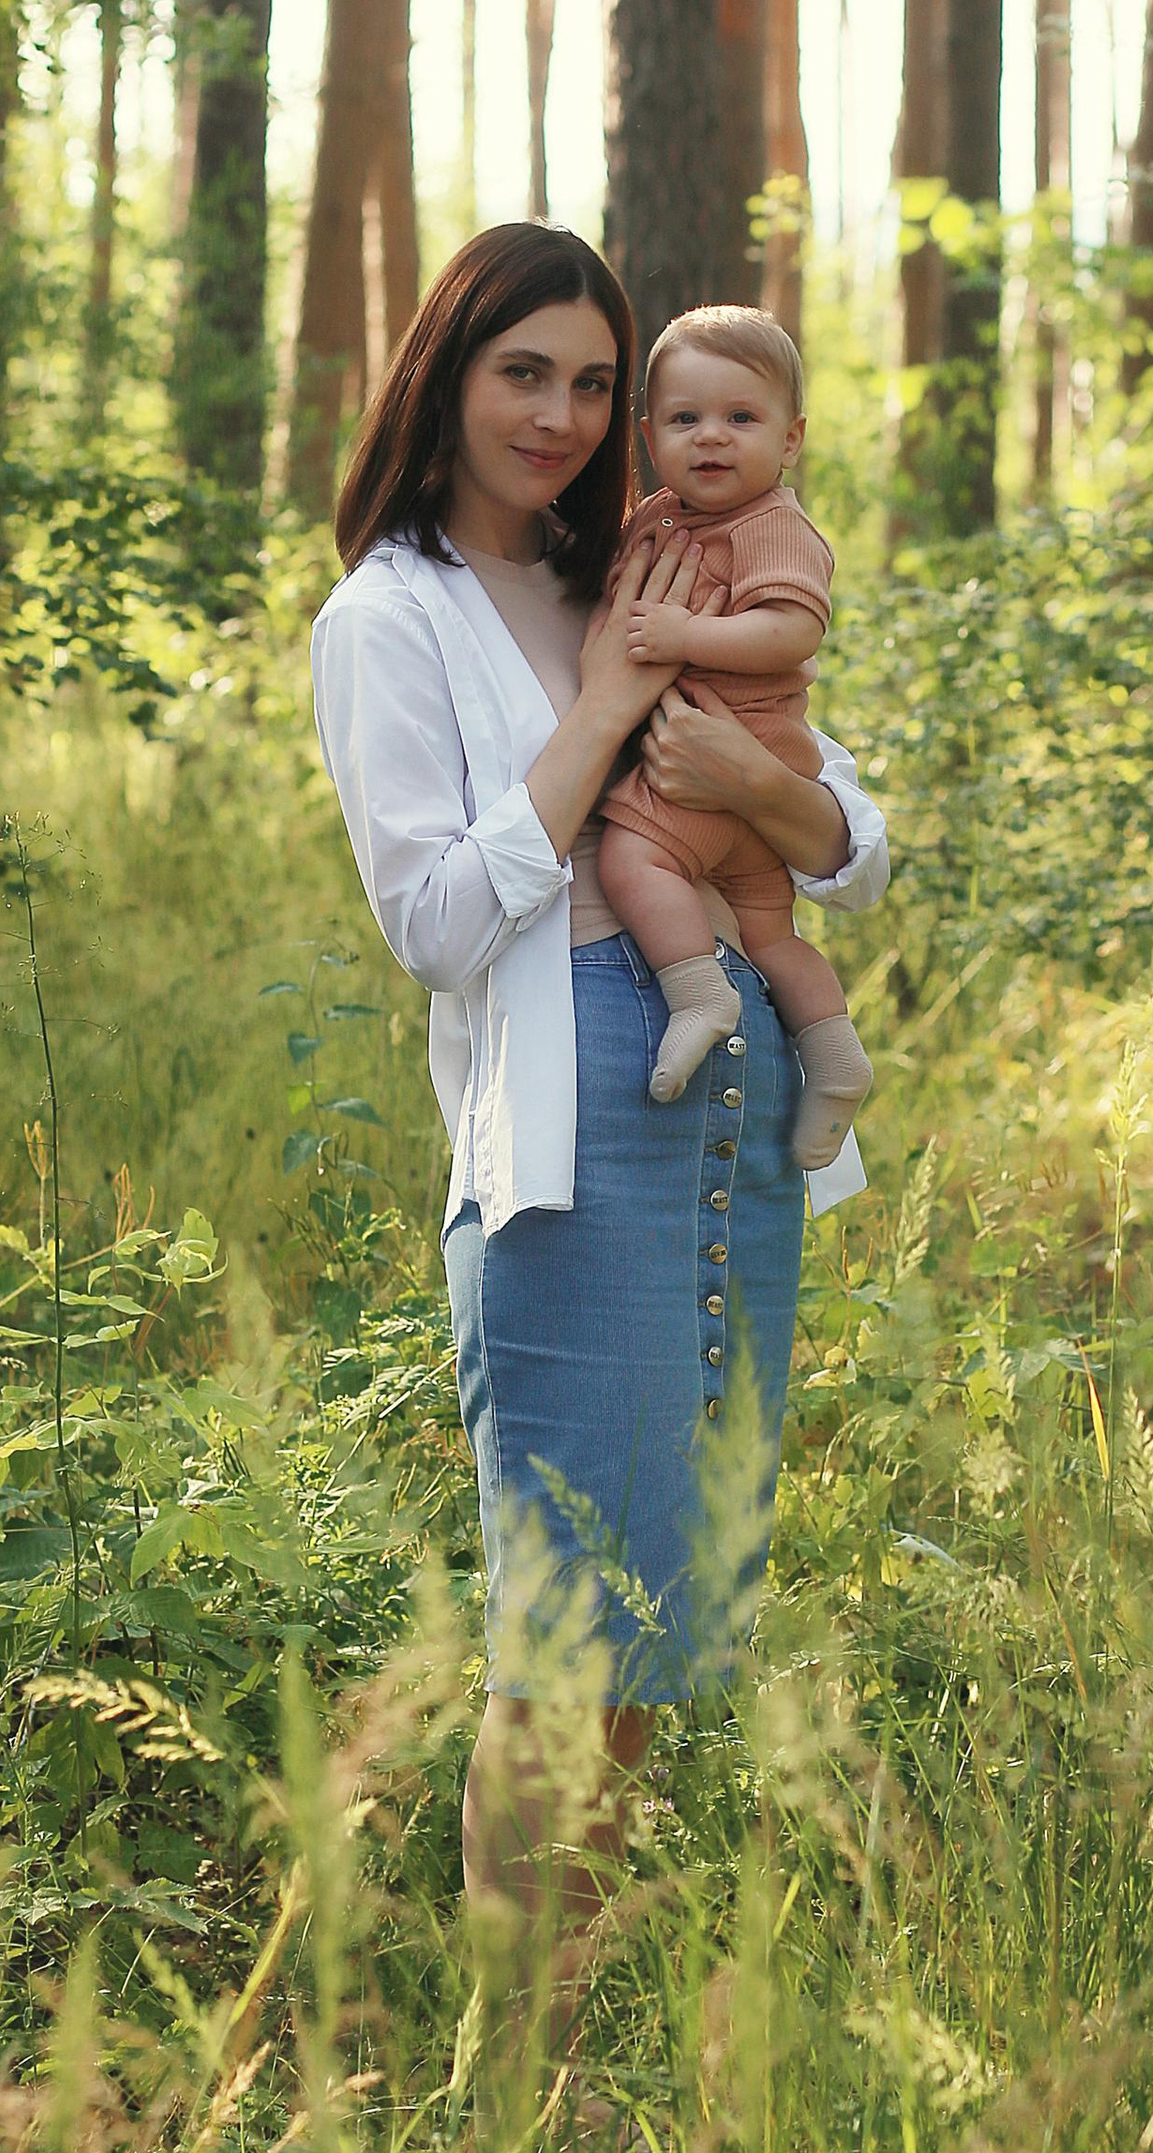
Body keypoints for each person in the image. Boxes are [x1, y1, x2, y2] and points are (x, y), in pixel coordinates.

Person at [309, 224, 889, 2042]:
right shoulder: (390, 615)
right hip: (568, 1107)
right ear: (446, 378)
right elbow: (430, 918)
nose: (560, 416)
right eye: (521, 374)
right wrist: (628, 712)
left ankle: (560, 2038)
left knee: (650, 1601)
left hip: (735, 1082)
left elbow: (851, 841)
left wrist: (749, 782)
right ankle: (511, 2072)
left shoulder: (648, 557)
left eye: (589, 380)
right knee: (560, 1627)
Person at [591, 304, 876, 1169]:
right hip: (750, 778)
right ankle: (833, 1056)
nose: (711, 438)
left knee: (633, 863)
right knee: (773, 938)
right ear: (647, 435)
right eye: (685, 419)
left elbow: (792, 632)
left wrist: (683, 640)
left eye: (740, 419)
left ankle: (698, 996)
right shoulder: (657, 520)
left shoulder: (773, 527)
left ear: (790, 440)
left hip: (726, 750)